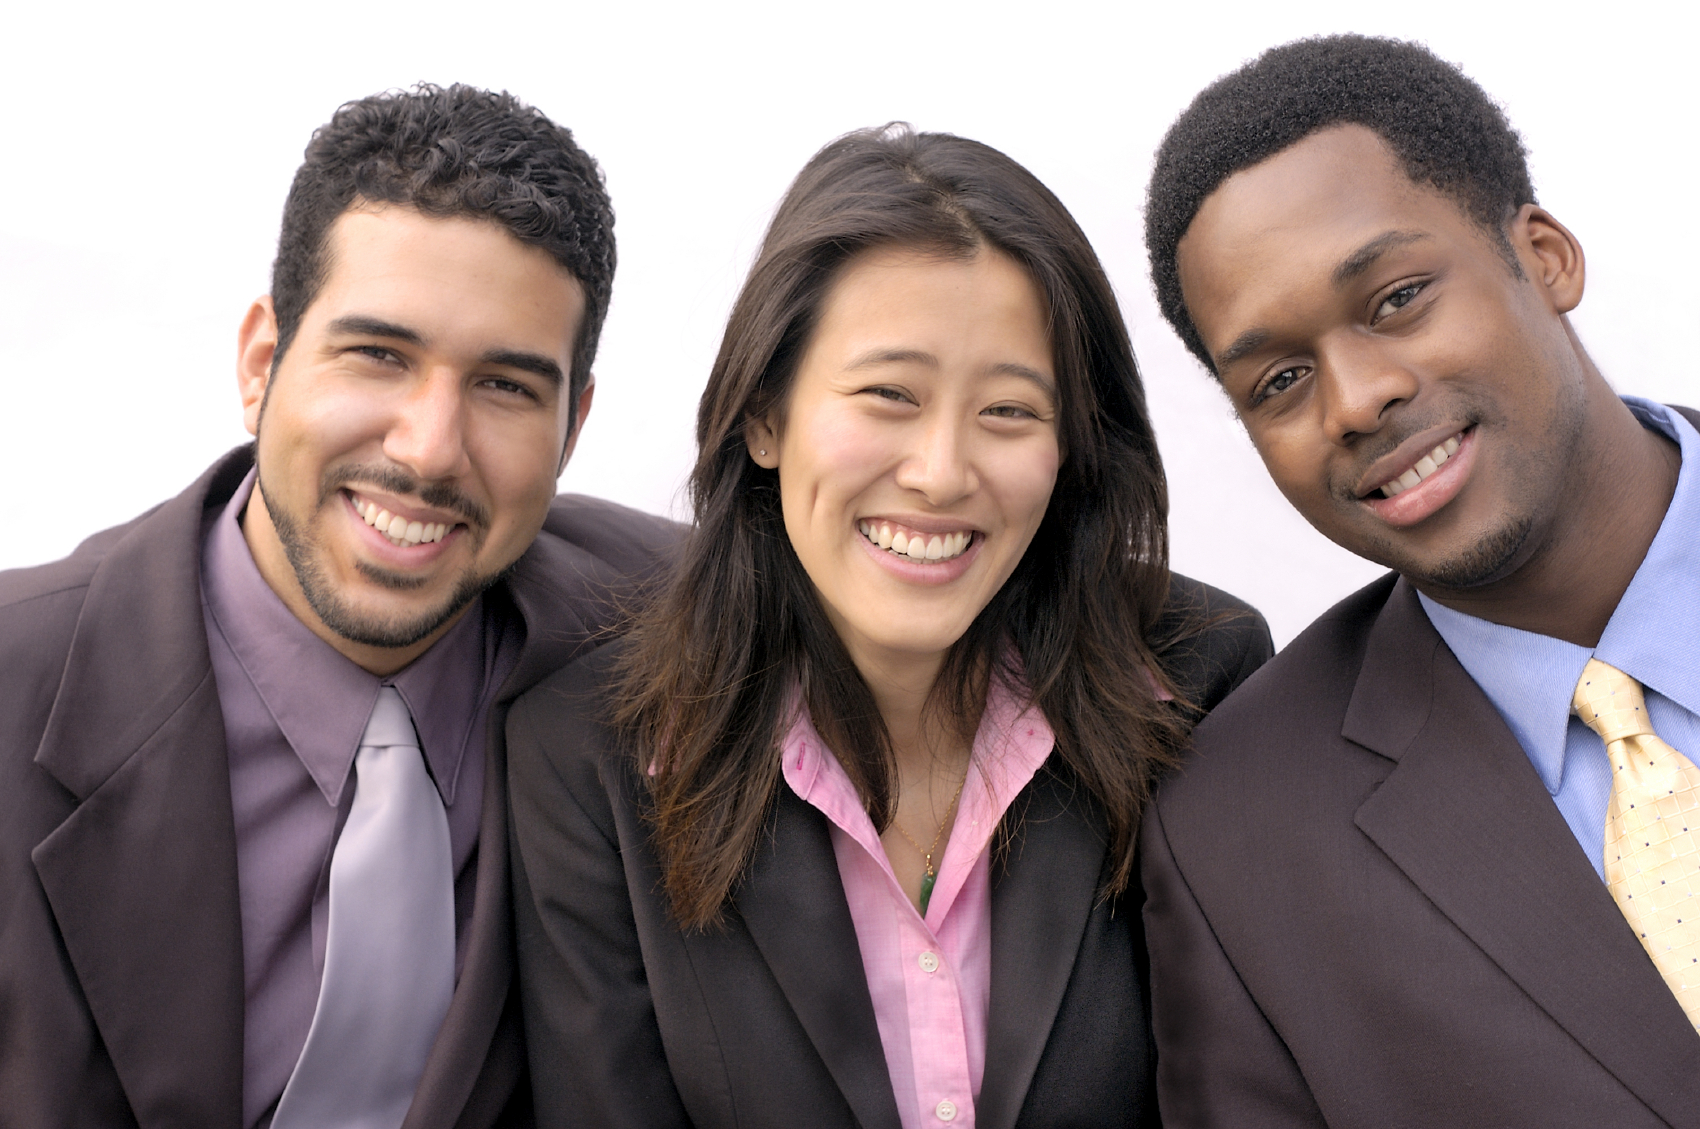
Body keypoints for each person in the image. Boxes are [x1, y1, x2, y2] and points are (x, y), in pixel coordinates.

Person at [506, 124, 1271, 1129]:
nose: (941, 471)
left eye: (1007, 411)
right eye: (887, 396)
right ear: (765, 415)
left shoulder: (1200, 679)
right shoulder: (584, 755)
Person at [0, 84, 677, 1128]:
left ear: (572, 425)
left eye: (504, 386)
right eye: (378, 355)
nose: (427, 448)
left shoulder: (661, 632)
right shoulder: (17, 685)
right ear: (263, 360)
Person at [1138, 33, 1700, 1127]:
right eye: (1279, 379)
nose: (1350, 400)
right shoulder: (1235, 842)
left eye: (1395, 298)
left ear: (1542, 256)